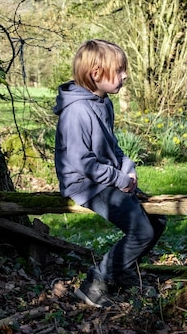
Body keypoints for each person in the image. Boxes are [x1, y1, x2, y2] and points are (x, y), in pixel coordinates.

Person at [53, 39, 166, 308]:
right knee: (141, 231)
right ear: (96, 74)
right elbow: (82, 163)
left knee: (157, 220)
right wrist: (119, 180)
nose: (125, 75)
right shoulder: (77, 111)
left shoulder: (102, 102)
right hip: (84, 184)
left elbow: (111, 146)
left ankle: (121, 270)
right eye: (119, 70)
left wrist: (127, 167)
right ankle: (95, 283)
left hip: (105, 179)